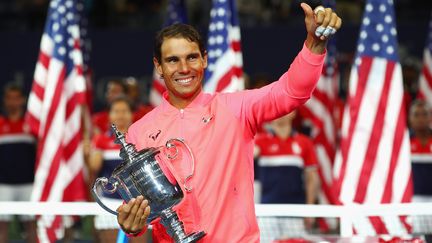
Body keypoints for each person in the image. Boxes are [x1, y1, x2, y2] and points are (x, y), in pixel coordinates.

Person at [116, 3, 341, 242]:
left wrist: (315, 45)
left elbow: (291, 92)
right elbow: (139, 214)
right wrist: (132, 226)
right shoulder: (139, 132)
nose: (184, 68)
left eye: (192, 57)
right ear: (158, 66)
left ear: (204, 60)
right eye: (173, 60)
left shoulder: (236, 108)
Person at [254, 111, 319, 242]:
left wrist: (309, 209)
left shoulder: (304, 143)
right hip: (267, 212)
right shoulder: (258, 142)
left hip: (295, 212)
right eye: (276, 110)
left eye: (284, 109)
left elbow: (312, 179)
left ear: (293, 113)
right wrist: (250, 154)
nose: (279, 113)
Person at [0, 83, 37, 243]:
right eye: (9, 98)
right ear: (4, 101)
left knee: (31, 226)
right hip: (3, 185)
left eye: (16, 98)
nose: (13, 102)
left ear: (22, 100)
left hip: (28, 184)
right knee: (2, 226)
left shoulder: (32, 125)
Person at [408, 99, 432, 234]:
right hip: (413, 201)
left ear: (430, 117)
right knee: (417, 237)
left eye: (424, 114)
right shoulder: (404, 141)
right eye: (416, 115)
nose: (421, 118)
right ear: (410, 118)